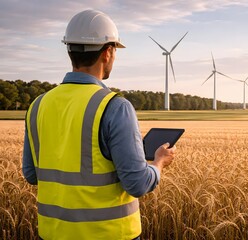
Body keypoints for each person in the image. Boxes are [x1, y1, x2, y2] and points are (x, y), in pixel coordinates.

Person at [22, 9, 176, 240]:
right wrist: (159, 162)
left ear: (70, 50)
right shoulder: (114, 106)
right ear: (108, 52)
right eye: (115, 51)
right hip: (109, 234)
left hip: (52, 233)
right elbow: (137, 184)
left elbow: (31, 175)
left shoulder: (38, 105)